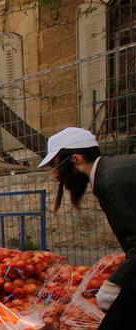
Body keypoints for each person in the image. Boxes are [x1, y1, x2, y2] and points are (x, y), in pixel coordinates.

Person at [39, 127, 135, 310]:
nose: (55, 174)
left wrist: (114, 283)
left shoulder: (112, 180)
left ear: (76, 159)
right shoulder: (113, 172)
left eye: (56, 166)